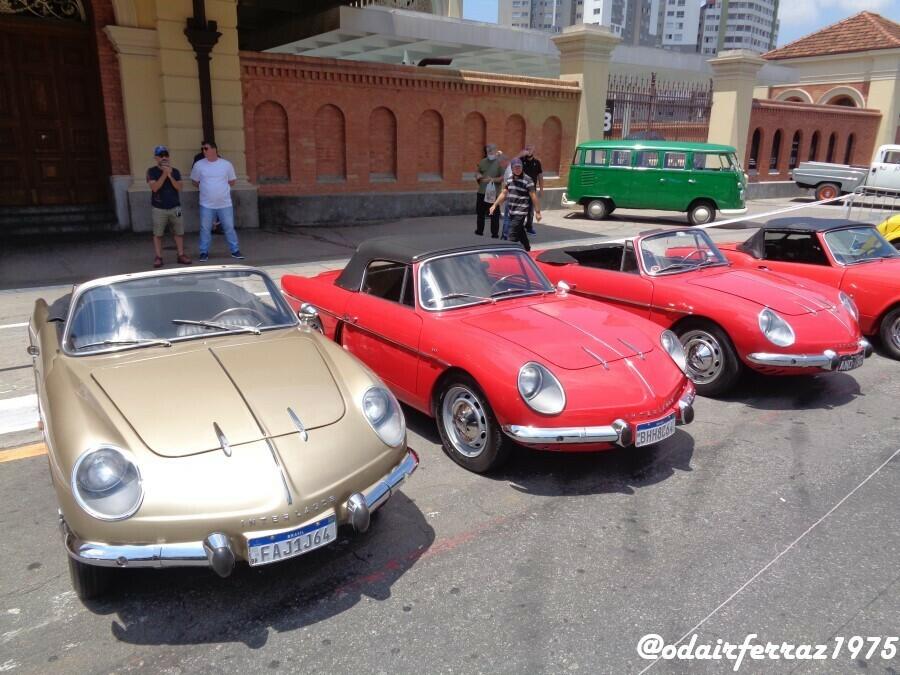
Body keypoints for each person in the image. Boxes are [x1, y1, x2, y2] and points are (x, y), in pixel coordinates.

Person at [190, 141, 244, 262]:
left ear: (214, 149)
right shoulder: (199, 165)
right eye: (202, 149)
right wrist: (205, 188)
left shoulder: (226, 164)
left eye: (206, 148)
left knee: (229, 227)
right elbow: (194, 181)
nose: (204, 151)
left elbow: (232, 181)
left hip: (225, 203)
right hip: (206, 203)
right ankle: (203, 252)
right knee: (205, 228)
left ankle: (235, 250)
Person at [146, 145, 191, 268]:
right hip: (159, 208)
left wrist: (170, 175)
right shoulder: (151, 171)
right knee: (158, 234)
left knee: (179, 232)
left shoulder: (175, 172)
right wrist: (164, 174)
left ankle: (181, 255)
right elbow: (155, 188)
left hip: (176, 208)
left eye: (166, 155)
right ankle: (158, 257)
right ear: (156, 157)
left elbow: (179, 188)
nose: (164, 157)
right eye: (161, 155)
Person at [489, 157, 542, 251]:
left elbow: (533, 196)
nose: (518, 169)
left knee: (512, 235)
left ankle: (508, 255)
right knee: (520, 231)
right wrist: (495, 205)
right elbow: (504, 193)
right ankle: (527, 248)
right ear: (512, 168)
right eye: (515, 167)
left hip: (521, 212)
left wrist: (537, 212)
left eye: (519, 167)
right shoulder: (509, 180)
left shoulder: (528, 180)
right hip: (511, 211)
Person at [475, 143, 503, 237]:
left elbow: (502, 178)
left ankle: (494, 234)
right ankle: (479, 231)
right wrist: (477, 175)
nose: (489, 152)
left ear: (495, 151)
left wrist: (492, 179)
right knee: (480, 213)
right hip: (482, 192)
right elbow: (478, 171)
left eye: (491, 150)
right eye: (488, 151)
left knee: (494, 215)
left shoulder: (500, 163)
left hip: (493, 193)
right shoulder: (482, 161)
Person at [521, 144, 544, 235]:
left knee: (530, 210)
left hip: (532, 190)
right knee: (521, 209)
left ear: (533, 151)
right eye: (526, 149)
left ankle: (529, 226)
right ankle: (520, 226)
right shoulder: (521, 161)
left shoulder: (537, 162)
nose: (528, 151)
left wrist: (542, 189)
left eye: (530, 149)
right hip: (521, 190)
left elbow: (540, 176)